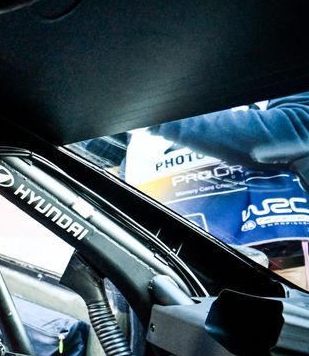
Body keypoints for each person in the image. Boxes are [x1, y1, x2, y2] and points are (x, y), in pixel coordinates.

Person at [124, 94, 309, 288]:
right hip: (170, 262)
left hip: (277, 253)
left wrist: (159, 114)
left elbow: (296, 129)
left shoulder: (280, 68)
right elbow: (113, 159)